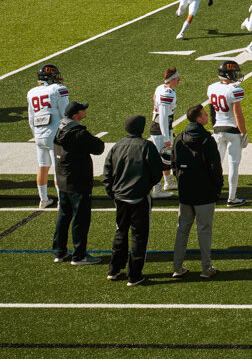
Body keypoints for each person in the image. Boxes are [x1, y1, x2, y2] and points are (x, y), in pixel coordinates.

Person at [102, 113, 165, 285]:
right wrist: (145, 187)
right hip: (139, 198)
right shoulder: (146, 146)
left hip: (120, 198)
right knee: (139, 237)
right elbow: (156, 173)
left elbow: (107, 173)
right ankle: (134, 275)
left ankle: (114, 269)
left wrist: (113, 193)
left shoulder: (116, 146)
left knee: (120, 233)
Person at [170, 105, 222, 279]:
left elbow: (174, 164)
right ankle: (206, 268)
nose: (207, 116)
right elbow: (215, 167)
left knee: (182, 229)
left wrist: (181, 180)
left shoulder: (179, 138)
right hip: (204, 192)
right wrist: (217, 188)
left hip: (186, 192)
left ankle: (177, 267)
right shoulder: (207, 140)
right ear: (198, 119)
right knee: (204, 230)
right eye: (205, 114)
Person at [51, 100, 104, 263]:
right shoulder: (78, 133)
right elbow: (98, 147)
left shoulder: (60, 129)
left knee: (64, 216)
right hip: (78, 181)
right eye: (82, 110)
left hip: (63, 180)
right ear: (76, 115)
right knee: (80, 219)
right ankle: (79, 254)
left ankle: (59, 252)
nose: (85, 111)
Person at [205, 59, 249, 206]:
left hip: (218, 129)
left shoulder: (212, 88)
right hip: (232, 130)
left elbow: (211, 111)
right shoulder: (235, 89)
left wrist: (215, 126)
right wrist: (243, 133)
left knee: (216, 165)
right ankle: (232, 198)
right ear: (229, 74)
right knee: (233, 166)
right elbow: (238, 115)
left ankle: (212, 194)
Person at [26, 62, 69, 209]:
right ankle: (61, 201)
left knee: (43, 167)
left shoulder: (32, 92)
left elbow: (31, 118)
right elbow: (65, 114)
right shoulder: (58, 89)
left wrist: (36, 134)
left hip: (39, 134)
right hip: (54, 134)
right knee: (58, 168)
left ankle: (43, 199)